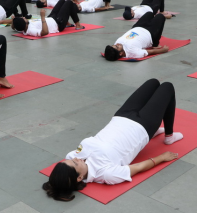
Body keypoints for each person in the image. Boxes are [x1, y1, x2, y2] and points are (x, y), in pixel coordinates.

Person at [43, 79, 183, 201]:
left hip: (121, 117)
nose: (75, 158)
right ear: (79, 178)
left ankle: (155, 134)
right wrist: (162, 157)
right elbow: (138, 167)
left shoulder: (71, 157)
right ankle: (169, 136)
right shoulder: (105, 174)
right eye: (75, 163)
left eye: (70, 160)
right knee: (167, 87)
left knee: (153, 83)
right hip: (142, 127)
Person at [104, 12, 169, 60]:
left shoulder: (117, 44)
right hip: (150, 33)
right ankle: (155, 44)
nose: (117, 44)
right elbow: (149, 52)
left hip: (137, 27)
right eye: (117, 46)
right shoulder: (132, 53)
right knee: (160, 16)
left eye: (114, 45)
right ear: (120, 53)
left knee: (149, 13)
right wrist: (163, 50)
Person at [12, 0, 78, 34]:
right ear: (24, 23)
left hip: (51, 17)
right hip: (57, 23)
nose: (24, 17)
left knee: (62, 1)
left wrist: (13, 20)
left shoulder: (22, 27)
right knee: (69, 2)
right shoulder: (31, 30)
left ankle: (67, 23)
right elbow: (45, 32)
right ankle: (78, 25)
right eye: (23, 18)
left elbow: (14, 27)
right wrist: (42, 17)